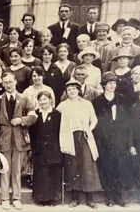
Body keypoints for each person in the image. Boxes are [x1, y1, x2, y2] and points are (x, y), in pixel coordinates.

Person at [0, 72, 37, 210]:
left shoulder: (24, 98)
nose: (8, 85)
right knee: (4, 169)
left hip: (19, 139)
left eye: (10, 82)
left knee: (16, 170)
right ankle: (4, 198)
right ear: (2, 84)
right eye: (5, 82)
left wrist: (21, 120)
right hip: (3, 139)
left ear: (15, 82)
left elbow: (33, 117)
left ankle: (17, 198)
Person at [56, 79, 102, 209]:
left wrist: (88, 129)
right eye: (69, 89)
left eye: (74, 88)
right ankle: (75, 198)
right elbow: (57, 120)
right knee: (73, 166)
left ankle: (90, 198)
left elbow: (94, 120)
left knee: (87, 166)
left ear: (78, 90)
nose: (71, 91)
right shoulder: (62, 106)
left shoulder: (86, 104)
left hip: (85, 137)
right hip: (70, 137)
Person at [92, 72, 132, 207]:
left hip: (120, 140)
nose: (112, 86)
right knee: (107, 167)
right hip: (104, 140)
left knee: (119, 167)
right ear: (104, 85)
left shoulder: (122, 99)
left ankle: (119, 196)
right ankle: (109, 196)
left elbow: (127, 121)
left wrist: (125, 140)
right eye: (109, 83)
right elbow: (95, 122)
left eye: (114, 83)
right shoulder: (97, 101)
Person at [29, 91, 62, 206]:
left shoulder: (56, 114)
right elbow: (32, 133)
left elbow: (59, 131)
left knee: (53, 171)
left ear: (50, 100)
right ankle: (41, 198)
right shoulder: (35, 115)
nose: (43, 102)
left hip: (53, 146)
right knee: (41, 172)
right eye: (41, 100)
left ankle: (54, 198)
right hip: (39, 147)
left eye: (45, 99)